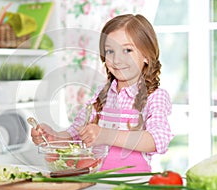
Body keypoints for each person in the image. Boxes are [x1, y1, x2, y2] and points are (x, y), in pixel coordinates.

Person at [31, 14, 173, 173]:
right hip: (95, 181)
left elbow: (157, 139)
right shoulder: (100, 94)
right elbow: (75, 135)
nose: (117, 59)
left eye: (127, 50)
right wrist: (53, 137)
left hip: (132, 183)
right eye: (110, 51)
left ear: (146, 56)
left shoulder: (155, 96)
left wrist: (106, 135)